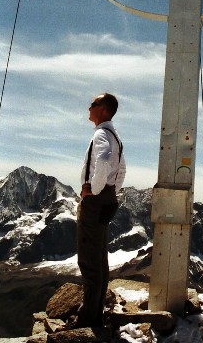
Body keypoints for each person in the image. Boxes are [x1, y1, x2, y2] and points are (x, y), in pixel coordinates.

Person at [75, 92, 126, 328]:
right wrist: (111, 189)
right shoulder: (115, 136)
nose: (89, 107)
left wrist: (93, 191)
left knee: (89, 260)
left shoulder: (102, 134)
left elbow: (104, 160)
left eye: (92, 104)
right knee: (100, 258)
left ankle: (88, 319)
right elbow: (122, 168)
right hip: (108, 199)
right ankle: (94, 313)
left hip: (96, 202)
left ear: (103, 109)